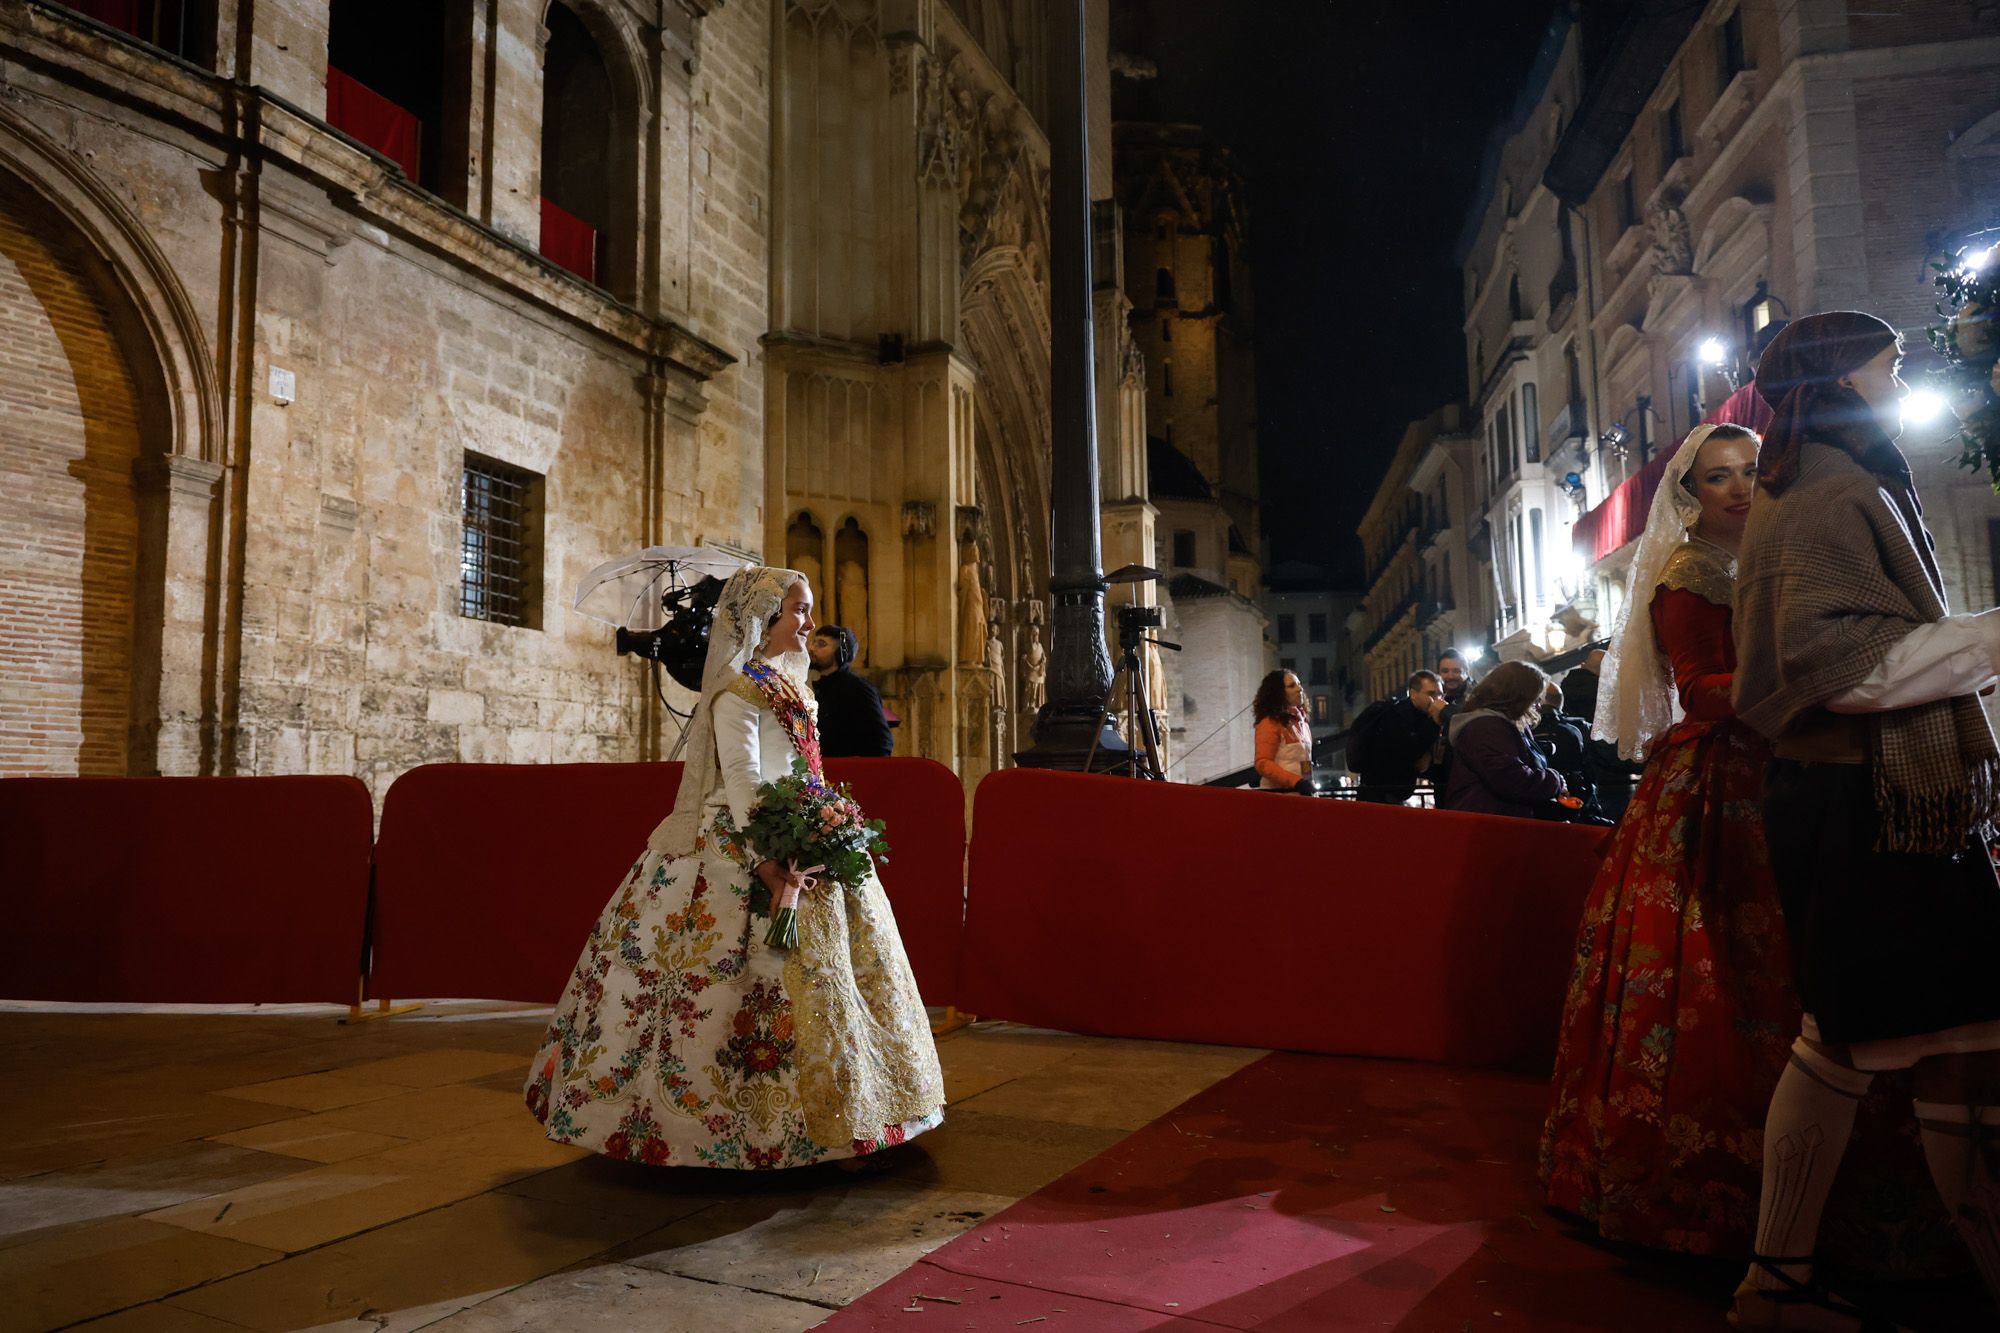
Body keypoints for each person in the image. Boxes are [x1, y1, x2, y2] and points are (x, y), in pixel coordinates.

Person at [1730, 312, 2000, 1325]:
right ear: (1839, 374)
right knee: (1856, 1039)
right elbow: (1838, 667)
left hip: (1876, 797)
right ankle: (1775, 1280)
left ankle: (1778, 1278)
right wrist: (1989, 636)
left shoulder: (1828, 481)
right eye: (1886, 363)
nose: (1898, 376)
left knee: (1948, 1034)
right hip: (1864, 801)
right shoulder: (1823, 492)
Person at [524, 567, 944, 1169]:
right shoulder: (737, 689)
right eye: (799, 611)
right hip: (742, 842)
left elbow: (805, 769)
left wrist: (824, 818)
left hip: (805, 833)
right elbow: (745, 778)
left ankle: (849, 1113)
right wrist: (768, 858)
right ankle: (724, 1131)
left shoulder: (794, 684)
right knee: (726, 988)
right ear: (765, 619)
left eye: (809, 611)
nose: (809, 623)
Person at [1540, 423, 1810, 1255]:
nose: (1737, 486)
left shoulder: (1764, 552)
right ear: (1690, 492)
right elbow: (1702, 690)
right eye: (1717, 475)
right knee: (1719, 963)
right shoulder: (1693, 569)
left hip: (1778, 761)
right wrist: (1819, 677)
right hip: (1725, 781)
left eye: (1750, 470)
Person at [1440, 660, 1567, 818]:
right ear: (1518, 696)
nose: (1537, 705)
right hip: (1488, 825)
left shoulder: (1500, 724)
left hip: (1494, 821)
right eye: (1535, 698)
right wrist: (1554, 780)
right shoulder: (1485, 727)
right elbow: (1511, 779)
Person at [1348, 669, 1446, 804]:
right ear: (1413, 694)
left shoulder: (1419, 717)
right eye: (1431, 694)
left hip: (1391, 794)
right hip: (1381, 796)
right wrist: (1435, 723)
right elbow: (1410, 751)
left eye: (1440, 694)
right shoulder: (1396, 715)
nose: (1437, 699)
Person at [809, 624, 893, 758]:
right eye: (813, 642)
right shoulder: (818, 686)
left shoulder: (858, 688)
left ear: (841, 653)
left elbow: (882, 743)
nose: (812, 648)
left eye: (821, 644)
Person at [1252, 669, 1315, 792]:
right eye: (1292, 686)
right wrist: (1296, 782)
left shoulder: (1302, 723)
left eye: (1298, 684)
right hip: (1279, 796)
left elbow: (1305, 761)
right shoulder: (1270, 722)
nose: (1300, 689)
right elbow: (1263, 763)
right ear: (1278, 693)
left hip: (1299, 794)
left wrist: (1307, 783)